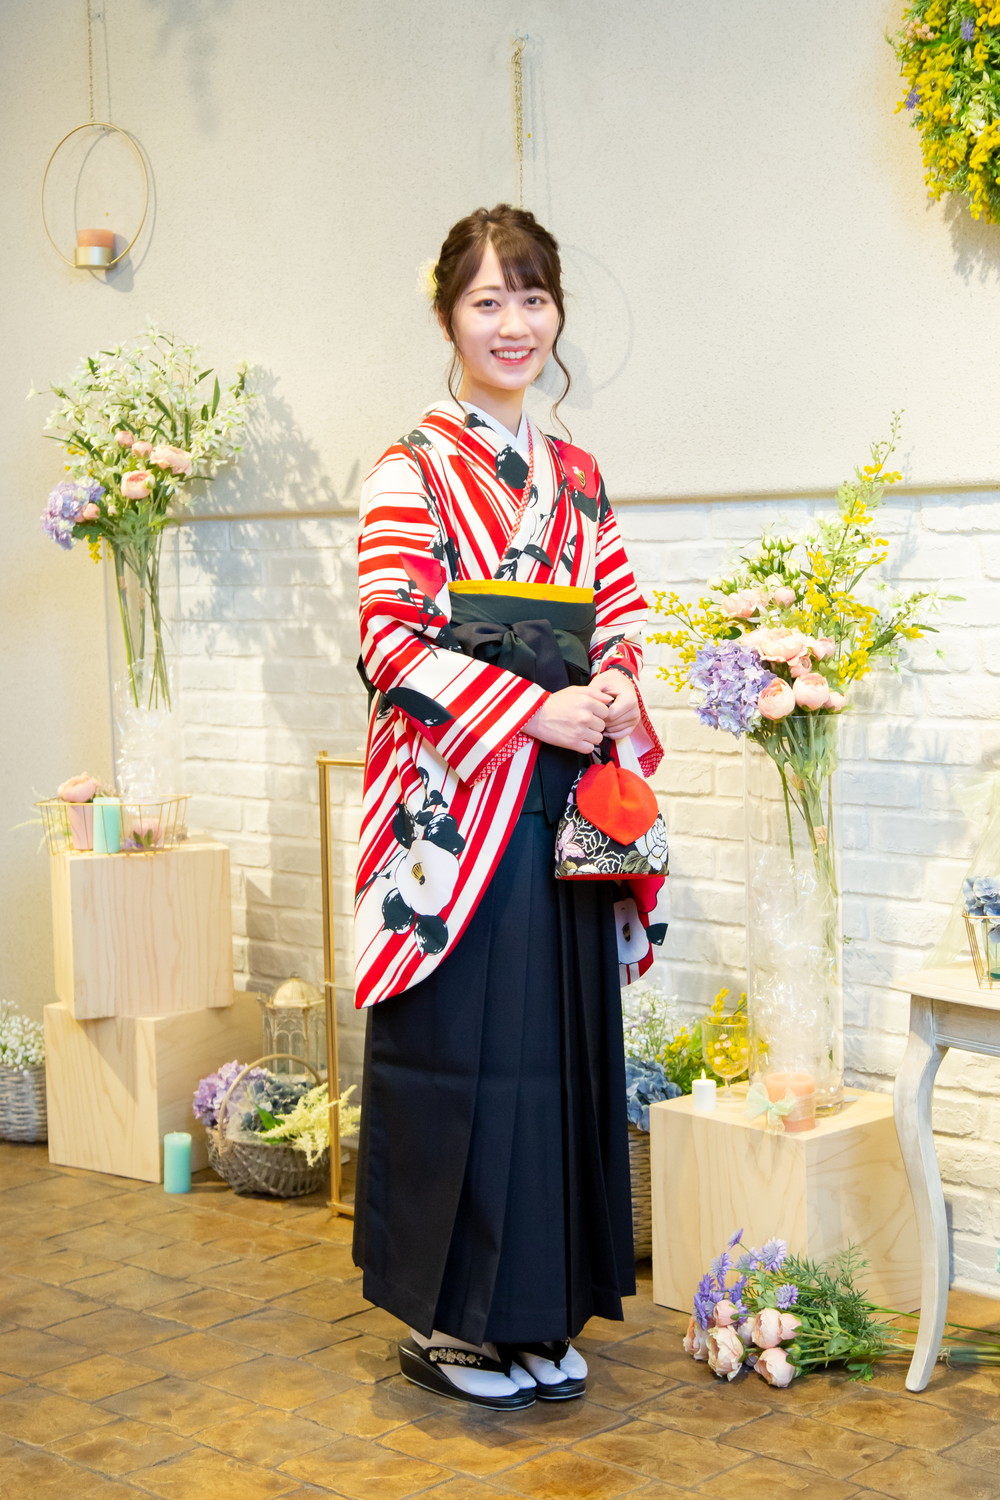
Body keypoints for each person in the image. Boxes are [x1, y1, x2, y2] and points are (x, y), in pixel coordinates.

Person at [352, 204, 665, 1410]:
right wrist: (536, 709)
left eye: (532, 298)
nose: (514, 323)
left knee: (554, 1058)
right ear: (448, 318)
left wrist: (614, 686)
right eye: (488, 300)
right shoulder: (410, 470)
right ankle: (452, 1325)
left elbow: (619, 612)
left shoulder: (576, 476)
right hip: (457, 808)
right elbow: (391, 641)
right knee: (463, 1057)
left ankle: (537, 1314)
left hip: (565, 803)